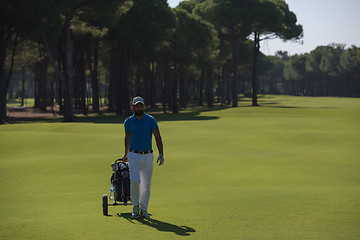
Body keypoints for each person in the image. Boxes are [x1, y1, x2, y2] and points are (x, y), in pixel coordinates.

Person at [123, 96, 164, 219]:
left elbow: (157, 137)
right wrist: (126, 153)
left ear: (144, 106)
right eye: (137, 106)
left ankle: (144, 209)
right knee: (135, 181)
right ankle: (135, 207)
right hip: (133, 155)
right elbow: (127, 137)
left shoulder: (151, 120)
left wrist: (161, 153)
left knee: (146, 184)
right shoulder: (128, 121)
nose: (139, 108)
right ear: (133, 107)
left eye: (141, 106)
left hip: (147, 155)